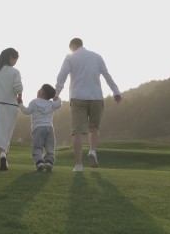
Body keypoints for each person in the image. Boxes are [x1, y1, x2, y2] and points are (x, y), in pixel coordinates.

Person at [55, 37, 121, 172]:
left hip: (78, 97)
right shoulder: (97, 57)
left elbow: (62, 75)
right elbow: (107, 75)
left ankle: (79, 165)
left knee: (77, 131)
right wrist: (116, 92)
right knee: (94, 127)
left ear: (72, 46)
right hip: (96, 97)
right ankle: (92, 150)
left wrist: (56, 93)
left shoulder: (70, 57)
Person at [18, 84, 62, 172]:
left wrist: (20, 104)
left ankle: (39, 162)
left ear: (42, 92)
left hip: (38, 128)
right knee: (50, 147)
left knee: (37, 147)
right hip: (49, 128)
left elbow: (26, 111)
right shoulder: (51, 104)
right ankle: (49, 161)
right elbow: (59, 104)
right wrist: (55, 96)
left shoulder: (34, 102)